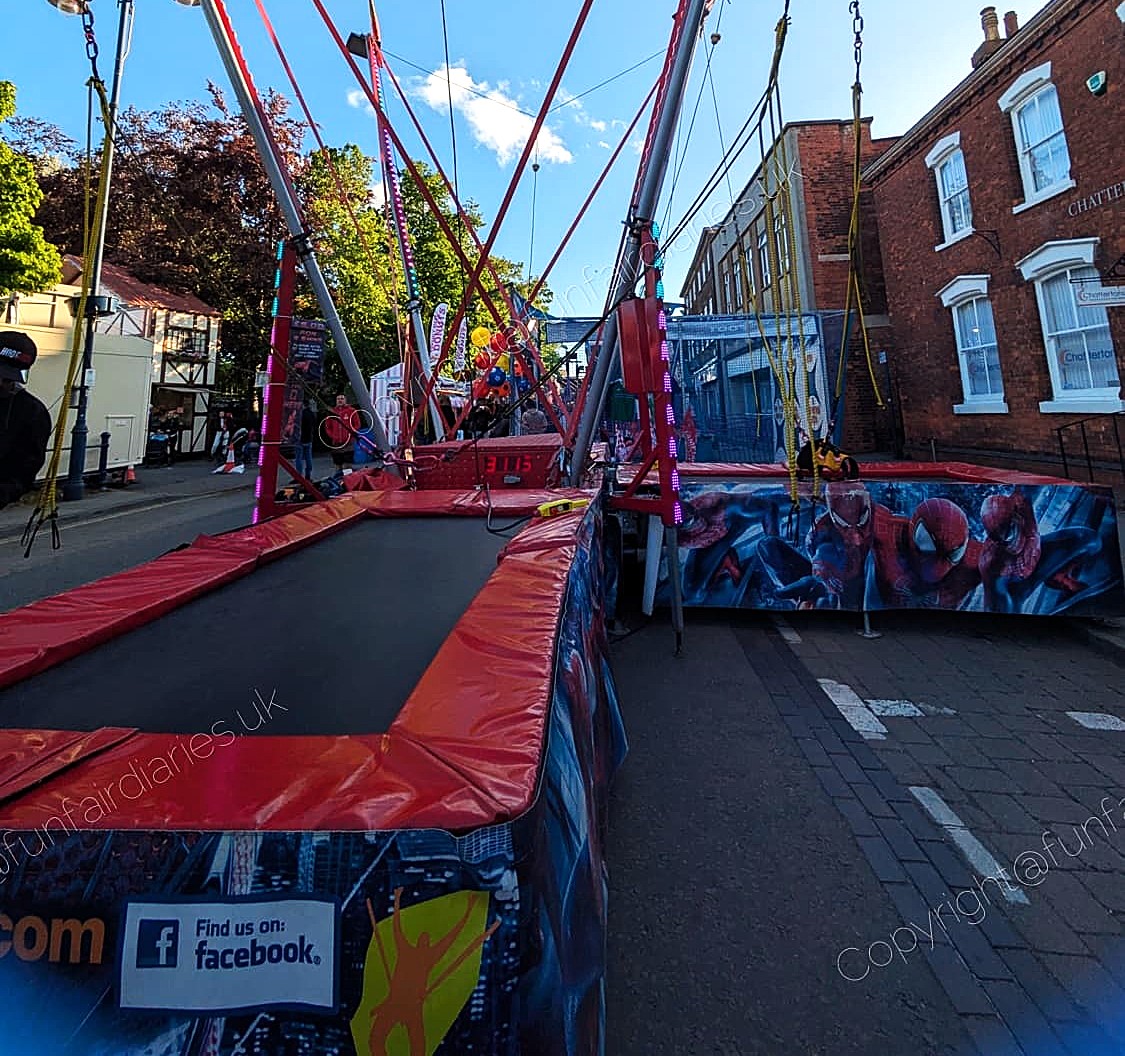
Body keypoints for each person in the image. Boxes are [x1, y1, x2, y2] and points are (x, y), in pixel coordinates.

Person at [0, 331, 51, 509]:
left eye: (7, 379)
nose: (1, 383)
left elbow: (25, 468)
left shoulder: (31, 412)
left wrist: (4, 493)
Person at [324, 393, 359, 473]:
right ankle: (338, 482)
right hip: (336, 443)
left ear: (345, 400)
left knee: (347, 465)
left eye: (342, 398)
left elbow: (357, 424)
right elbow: (328, 427)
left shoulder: (351, 410)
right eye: (338, 399)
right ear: (336, 401)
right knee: (337, 465)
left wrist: (350, 434)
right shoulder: (332, 412)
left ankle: (348, 482)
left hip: (348, 443)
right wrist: (333, 436)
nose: (340, 400)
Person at [297, 398, 316, 479]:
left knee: (299, 458)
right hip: (308, 438)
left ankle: (298, 476)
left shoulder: (299, 414)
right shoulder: (311, 414)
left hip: (299, 438)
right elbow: (314, 424)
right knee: (308, 457)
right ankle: (308, 474)